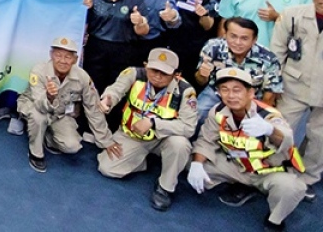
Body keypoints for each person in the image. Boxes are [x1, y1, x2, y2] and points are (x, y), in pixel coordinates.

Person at [188, 68, 308, 230]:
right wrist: (197, 164)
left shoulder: (268, 115)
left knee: (291, 188)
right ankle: (240, 184)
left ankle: (274, 221)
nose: (231, 95)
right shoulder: (218, 111)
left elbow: (286, 138)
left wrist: (269, 130)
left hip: (266, 171)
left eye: (237, 90)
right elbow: (206, 140)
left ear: (251, 93)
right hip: (235, 165)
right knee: (190, 160)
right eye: (225, 90)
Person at [97, 48, 197, 211]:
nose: (157, 76)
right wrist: (108, 100)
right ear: (146, 65)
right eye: (154, 70)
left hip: (163, 138)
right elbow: (115, 89)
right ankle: (142, 160)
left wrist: (154, 123)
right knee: (107, 168)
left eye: (164, 73)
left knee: (180, 144)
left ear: (175, 74)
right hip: (132, 135)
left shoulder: (186, 91)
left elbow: (188, 127)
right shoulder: (133, 74)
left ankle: (165, 187)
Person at [17, 36, 114, 173]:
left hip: (60, 113)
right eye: (58, 55)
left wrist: (106, 140)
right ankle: (36, 153)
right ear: (51, 55)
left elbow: (93, 109)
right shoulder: (39, 71)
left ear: (75, 59)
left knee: (72, 146)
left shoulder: (82, 77)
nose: (62, 61)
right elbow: (39, 104)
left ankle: (48, 137)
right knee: (38, 117)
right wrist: (49, 97)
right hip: (35, 107)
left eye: (68, 57)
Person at [271, 0, 323, 194]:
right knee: (280, 130)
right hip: (293, 84)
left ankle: (307, 177)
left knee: (319, 138)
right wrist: (273, 86)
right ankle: (269, 170)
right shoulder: (292, 15)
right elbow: (276, 53)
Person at [196, 17, 283, 124]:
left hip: (250, 99)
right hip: (217, 92)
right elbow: (200, 81)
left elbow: (270, 95)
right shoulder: (212, 46)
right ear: (225, 34)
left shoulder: (269, 59)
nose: (237, 42)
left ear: (254, 40)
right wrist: (202, 75)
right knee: (198, 112)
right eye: (233, 36)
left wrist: (259, 116)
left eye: (244, 38)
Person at [82, 0, 150, 92]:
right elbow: (82, 21)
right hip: (95, 49)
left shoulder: (136, 0)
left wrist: (140, 22)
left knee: (117, 89)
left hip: (123, 52)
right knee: (92, 88)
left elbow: (143, 32)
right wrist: (84, 8)